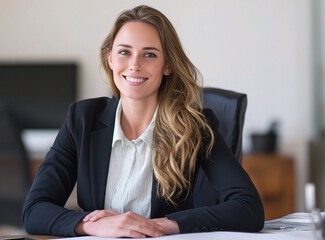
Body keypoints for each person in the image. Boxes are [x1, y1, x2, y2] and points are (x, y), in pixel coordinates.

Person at [23, 5, 264, 238]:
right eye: (124, 52)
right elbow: (35, 210)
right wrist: (94, 226)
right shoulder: (82, 119)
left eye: (149, 54)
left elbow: (248, 208)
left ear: (167, 65)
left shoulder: (194, 127)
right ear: (110, 58)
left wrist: (158, 226)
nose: (134, 65)